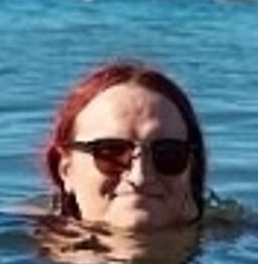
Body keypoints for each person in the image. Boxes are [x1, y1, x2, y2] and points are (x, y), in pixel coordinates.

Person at [40, 60, 208, 234]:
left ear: (191, 169)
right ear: (65, 169)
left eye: (168, 154)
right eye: (111, 152)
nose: (140, 177)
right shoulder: (20, 249)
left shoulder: (231, 244)